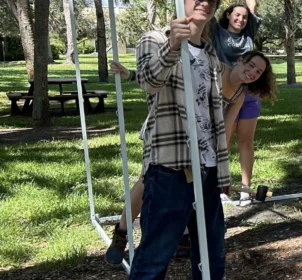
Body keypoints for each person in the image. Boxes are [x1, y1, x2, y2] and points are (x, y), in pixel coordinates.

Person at [114, 0, 258, 280]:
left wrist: (223, 169)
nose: (205, 3)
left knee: (211, 252)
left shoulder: (211, 53)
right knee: (154, 256)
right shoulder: (154, 40)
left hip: (207, 168)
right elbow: (147, 81)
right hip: (169, 167)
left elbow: (214, 119)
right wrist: (173, 45)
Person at [104, 44, 276, 266]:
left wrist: (219, 170)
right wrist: (132, 75)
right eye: (251, 65)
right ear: (240, 60)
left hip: (198, 138)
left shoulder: (240, 94)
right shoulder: (213, 67)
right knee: (147, 182)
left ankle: (182, 236)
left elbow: (223, 131)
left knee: (189, 182)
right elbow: (167, 79)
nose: (252, 72)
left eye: (258, 72)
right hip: (167, 127)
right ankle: (121, 235)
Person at [201, 0, 262, 205]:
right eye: (237, 15)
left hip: (248, 93)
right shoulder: (216, 31)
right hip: (223, 92)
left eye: (244, 17)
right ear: (228, 15)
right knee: (222, 140)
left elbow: (252, 4)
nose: (241, 19)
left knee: (246, 140)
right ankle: (221, 188)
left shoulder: (249, 33)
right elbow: (203, 8)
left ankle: (245, 189)